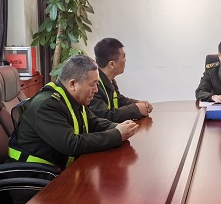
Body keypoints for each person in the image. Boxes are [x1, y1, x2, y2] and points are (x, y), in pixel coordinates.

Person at [8, 55, 139, 170]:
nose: (96, 90)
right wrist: (117, 134)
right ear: (73, 84)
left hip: (57, 170)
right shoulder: (47, 105)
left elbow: (93, 122)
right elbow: (72, 144)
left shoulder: (73, 98)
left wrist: (118, 127)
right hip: (33, 176)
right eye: (92, 84)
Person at [90, 37, 153, 121]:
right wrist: (135, 109)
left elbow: (119, 100)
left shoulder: (110, 80)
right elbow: (104, 115)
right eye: (123, 57)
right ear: (112, 64)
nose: (125, 60)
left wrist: (137, 103)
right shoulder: (94, 85)